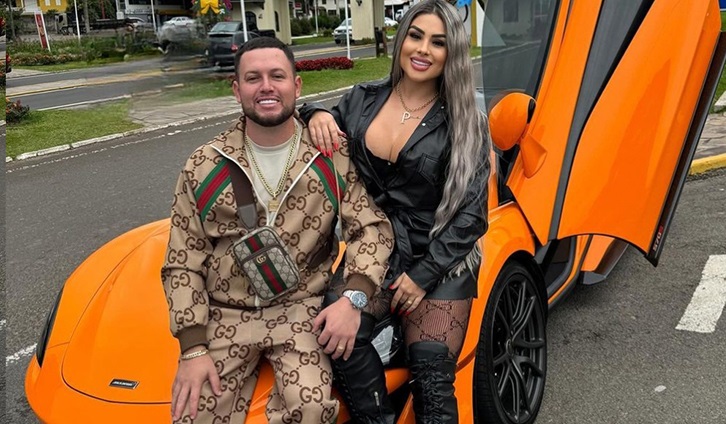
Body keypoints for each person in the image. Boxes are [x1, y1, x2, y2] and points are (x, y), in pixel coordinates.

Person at [161, 36, 394, 424]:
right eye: (253, 78)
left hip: (300, 310)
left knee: (312, 409)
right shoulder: (204, 165)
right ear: (237, 89)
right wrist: (192, 347)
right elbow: (182, 260)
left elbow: (371, 228)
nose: (266, 87)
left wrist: (353, 298)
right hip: (225, 313)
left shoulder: (329, 155)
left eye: (277, 76)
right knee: (193, 412)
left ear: (297, 86)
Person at [301, 1, 490, 422]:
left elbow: (472, 216)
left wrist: (423, 276)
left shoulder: (467, 122)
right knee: (337, 337)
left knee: (431, 373)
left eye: (438, 42)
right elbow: (315, 123)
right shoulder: (361, 100)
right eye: (415, 36)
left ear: (452, 53)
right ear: (401, 38)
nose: (422, 49)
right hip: (373, 250)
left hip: (440, 256)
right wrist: (314, 112)